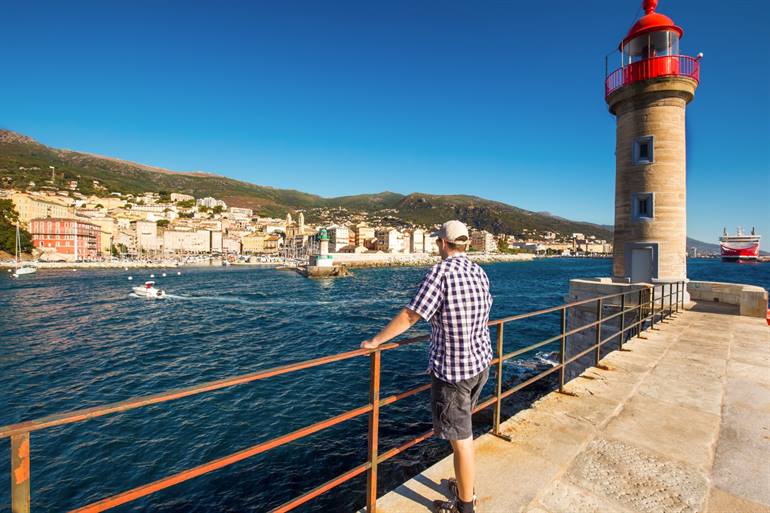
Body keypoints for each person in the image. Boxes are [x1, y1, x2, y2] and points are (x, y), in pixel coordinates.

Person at [360, 220, 493, 513]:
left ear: (443, 244)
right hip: (480, 364)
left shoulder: (441, 272)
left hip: (454, 372)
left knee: (461, 440)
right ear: (466, 244)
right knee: (465, 432)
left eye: (437, 242)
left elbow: (411, 316)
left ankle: (465, 505)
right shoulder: (479, 272)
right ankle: (465, 485)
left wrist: (376, 341)